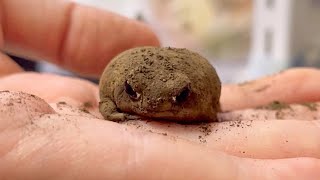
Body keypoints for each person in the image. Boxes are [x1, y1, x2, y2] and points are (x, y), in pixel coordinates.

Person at [0, 1, 319, 179]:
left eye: (177, 97)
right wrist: (112, 108)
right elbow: (108, 96)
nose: (153, 105)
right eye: (134, 93)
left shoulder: (196, 90)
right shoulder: (120, 79)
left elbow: (211, 103)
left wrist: (203, 111)